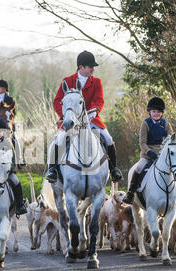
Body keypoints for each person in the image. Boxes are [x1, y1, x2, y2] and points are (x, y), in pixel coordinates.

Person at [46, 50, 123, 183]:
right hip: (71, 120)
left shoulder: (97, 82)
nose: (93, 69)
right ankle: (52, 169)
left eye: (93, 67)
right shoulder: (68, 81)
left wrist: (93, 111)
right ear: (81, 67)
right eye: (90, 67)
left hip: (90, 119)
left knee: (108, 138)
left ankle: (113, 168)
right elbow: (57, 101)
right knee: (59, 140)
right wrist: (66, 115)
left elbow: (99, 100)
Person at [123, 97, 174, 204]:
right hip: (148, 154)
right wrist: (150, 153)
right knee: (138, 168)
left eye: (158, 112)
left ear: (162, 113)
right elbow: (142, 143)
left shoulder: (166, 124)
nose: (156, 114)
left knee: (175, 169)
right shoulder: (145, 124)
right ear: (149, 112)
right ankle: (130, 193)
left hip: (162, 155)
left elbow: (171, 139)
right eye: (154, 111)